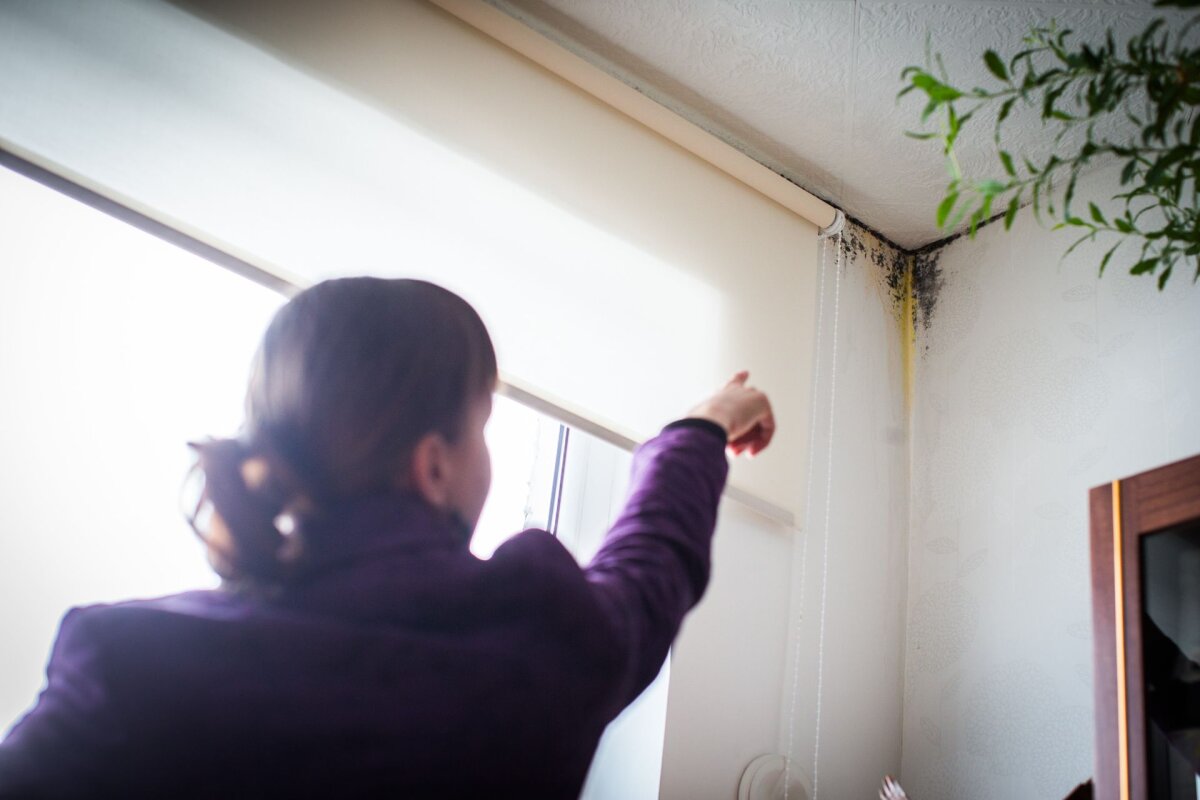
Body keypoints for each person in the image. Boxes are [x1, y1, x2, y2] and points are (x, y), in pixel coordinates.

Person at [0, 277, 774, 798]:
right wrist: (701, 427)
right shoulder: (532, 640)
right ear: (433, 464)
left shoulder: (125, 664)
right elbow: (647, 569)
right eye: (482, 427)